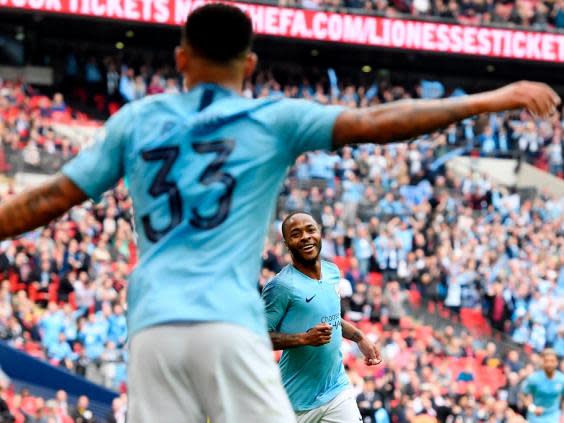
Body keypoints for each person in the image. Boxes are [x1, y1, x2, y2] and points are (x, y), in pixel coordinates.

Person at [0, 4, 559, 422]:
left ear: (180, 58)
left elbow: (48, 199)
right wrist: (492, 98)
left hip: (152, 328)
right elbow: (380, 122)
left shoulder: (136, 121)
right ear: (251, 63)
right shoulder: (273, 119)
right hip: (229, 323)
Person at [262, 211, 381, 422]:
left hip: (337, 389)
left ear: (319, 234)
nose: (306, 236)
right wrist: (304, 339)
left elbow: (332, 316)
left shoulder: (332, 271)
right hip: (296, 401)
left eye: (310, 230)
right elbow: (259, 337)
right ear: (287, 244)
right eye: (296, 233)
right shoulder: (281, 286)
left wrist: (359, 337)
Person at [521, 348, 564, 423]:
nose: (549, 364)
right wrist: (532, 408)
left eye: (552, 361)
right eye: (546, 361)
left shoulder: (561, 379)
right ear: (543, 362)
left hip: (553, 416)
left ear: (557, 362)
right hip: (535, 416)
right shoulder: (533, 378)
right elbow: (522, 395)